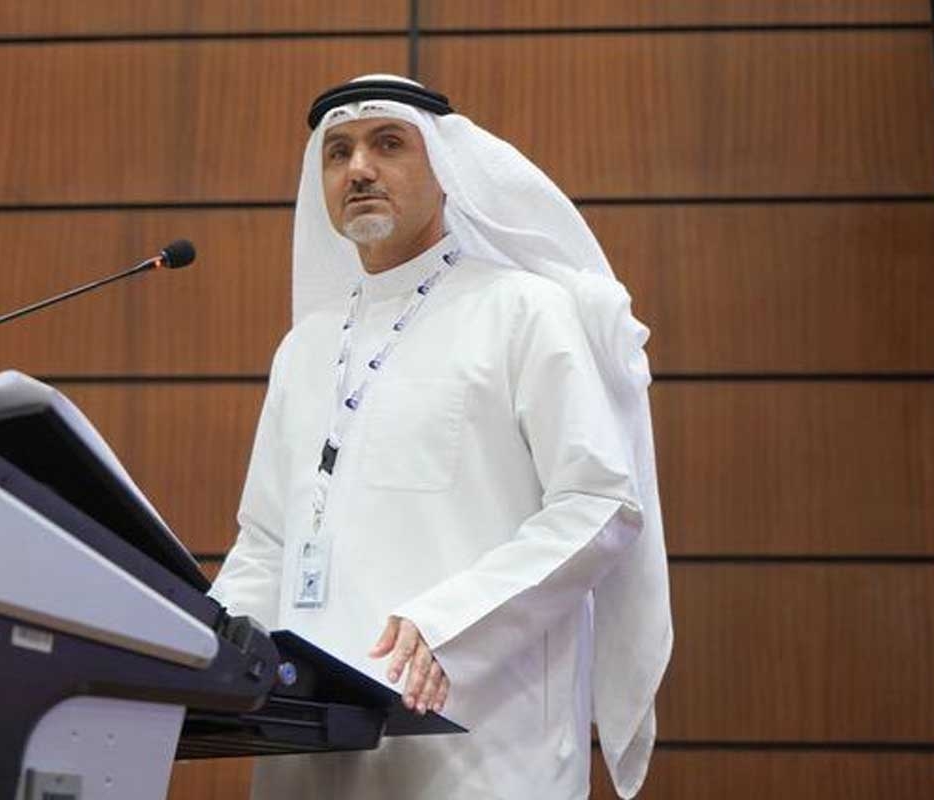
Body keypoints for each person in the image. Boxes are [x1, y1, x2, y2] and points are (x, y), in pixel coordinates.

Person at [208, 75, 672, 799]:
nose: (359, 169)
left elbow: (600, 503)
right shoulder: (305, 347)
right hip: (311, 744)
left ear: (448, 168)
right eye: (338, 153)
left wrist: (448, 625)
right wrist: (207, 646)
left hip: (479, 745)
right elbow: (267, 542)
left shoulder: (523, 311)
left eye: (388, 144)